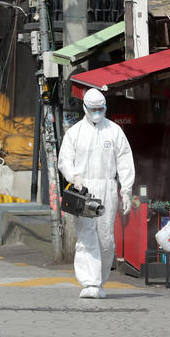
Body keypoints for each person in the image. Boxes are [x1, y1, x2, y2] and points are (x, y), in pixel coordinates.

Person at [58, 88, 135, 299]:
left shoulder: (114, 131)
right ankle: (89, 282)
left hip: (107, 187)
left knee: (105, 238)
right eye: (93, 109)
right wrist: (74, 176)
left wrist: (126, 190)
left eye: (101, 109)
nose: (97, 112)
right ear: (85, 108)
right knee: (86, 236)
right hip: (84, 190)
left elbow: (125, 161)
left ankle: (100, 281)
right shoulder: (74, 133)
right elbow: (64, 159)